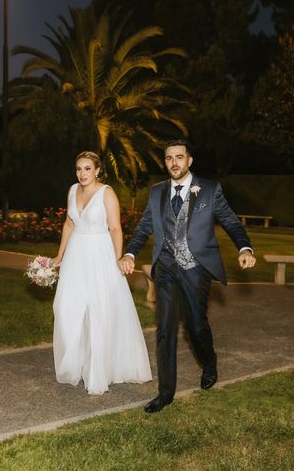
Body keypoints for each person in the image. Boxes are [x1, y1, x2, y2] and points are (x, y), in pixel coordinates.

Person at [119, 138, 256, 413]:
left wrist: (244, 247)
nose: (174, 163)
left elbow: (229, 220)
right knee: (165, 329)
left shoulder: (209, 189)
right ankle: (165, 393)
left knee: (196, 324)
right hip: (166, 269)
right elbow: (145, 227)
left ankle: (209, 362)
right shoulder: (157, 192)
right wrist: (130, 253)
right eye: (169, 158)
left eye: (179, 157)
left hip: (196, 268)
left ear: (189, 160)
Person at [52, 151, 152, 395]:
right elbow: (69, 223)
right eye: (78, 169)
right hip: (76, 255)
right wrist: (59, 255)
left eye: (87, 168)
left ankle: (99, 370)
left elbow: (115, 228)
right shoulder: (72, 190)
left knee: (99, 310)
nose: (82, 174)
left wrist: (118, 257)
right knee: (66, 307)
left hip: (100, 254)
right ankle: (76, 362)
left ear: (98, 170)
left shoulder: (107, 193)